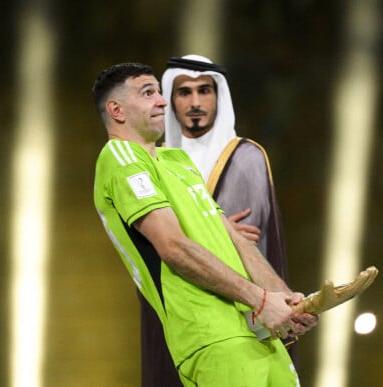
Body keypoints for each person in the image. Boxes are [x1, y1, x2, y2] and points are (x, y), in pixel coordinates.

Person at [92, 63, 318, 386]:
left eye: (159, 91)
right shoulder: (120, 158)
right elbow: (173, 248)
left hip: (257, 333)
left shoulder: (178, 162)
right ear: (116, 110)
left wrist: (284, 299)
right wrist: (262, 301)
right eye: (148, 93)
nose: (162, 101)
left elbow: (237, 241)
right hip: (212, 338)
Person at [138, 54, 296, 386]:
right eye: (184, 92)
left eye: (204, 91)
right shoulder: (153, 161)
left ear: (218, 96)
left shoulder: (246, 157)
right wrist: (215, 227)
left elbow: (251, 244)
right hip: (179, 309)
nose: (195, 102)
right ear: (172, 99)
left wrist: (204, 230)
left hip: (239, 320)